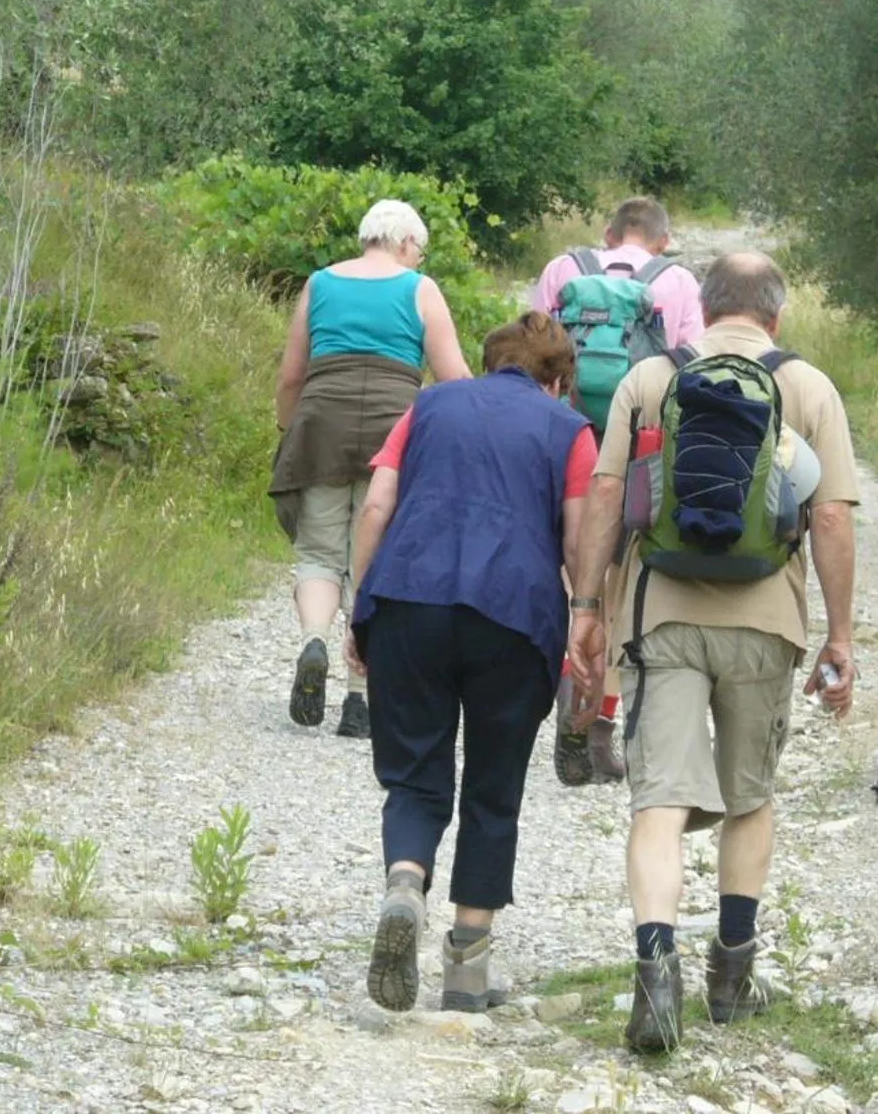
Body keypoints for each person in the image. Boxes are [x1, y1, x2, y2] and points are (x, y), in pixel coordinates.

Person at [568, 253, 860, 1054]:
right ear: (777, 312)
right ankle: (731, 974)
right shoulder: (806, 388)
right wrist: (838, 634)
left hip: (661, 612)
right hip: (766, 620)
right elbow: (830, 520)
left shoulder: (649, 380)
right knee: (749, 797)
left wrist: (587, 606)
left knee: (658, 802)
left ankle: (656, 975)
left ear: (702, 306)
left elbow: (604, 494)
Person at [346, 313, 594, 1014]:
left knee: (418, 777)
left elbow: (377, 506)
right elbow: (577, 542)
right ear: (558, 382)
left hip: (409, 599)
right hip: (513, 617)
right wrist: (587, 620)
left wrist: (360, 604)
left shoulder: (427, 404)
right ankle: (466, 972)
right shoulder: (568, 430)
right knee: (492, 785)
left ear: (490, 363)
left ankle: (404, 885)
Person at [270, 199, 471, 738]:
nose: (419, 260)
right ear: (406, 242)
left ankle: (313, 640)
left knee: (318, 553)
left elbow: (292, 374)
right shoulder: (419, 290)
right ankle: (361, 698)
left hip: (322, 426)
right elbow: (455, 381)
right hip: (394, 430)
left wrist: (291, 428)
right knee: (375, 559)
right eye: (420, 251)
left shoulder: (319, 283)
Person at [531, 196, 705, 788]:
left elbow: (530, 355)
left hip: (566, 435)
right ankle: (596, 726)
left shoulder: (564, 270)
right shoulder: (676, 279)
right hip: (637, 447)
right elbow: (692, 367)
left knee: (569, 569)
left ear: (607, 235)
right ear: (661, 239)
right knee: (616, 582)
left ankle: (553, 674)